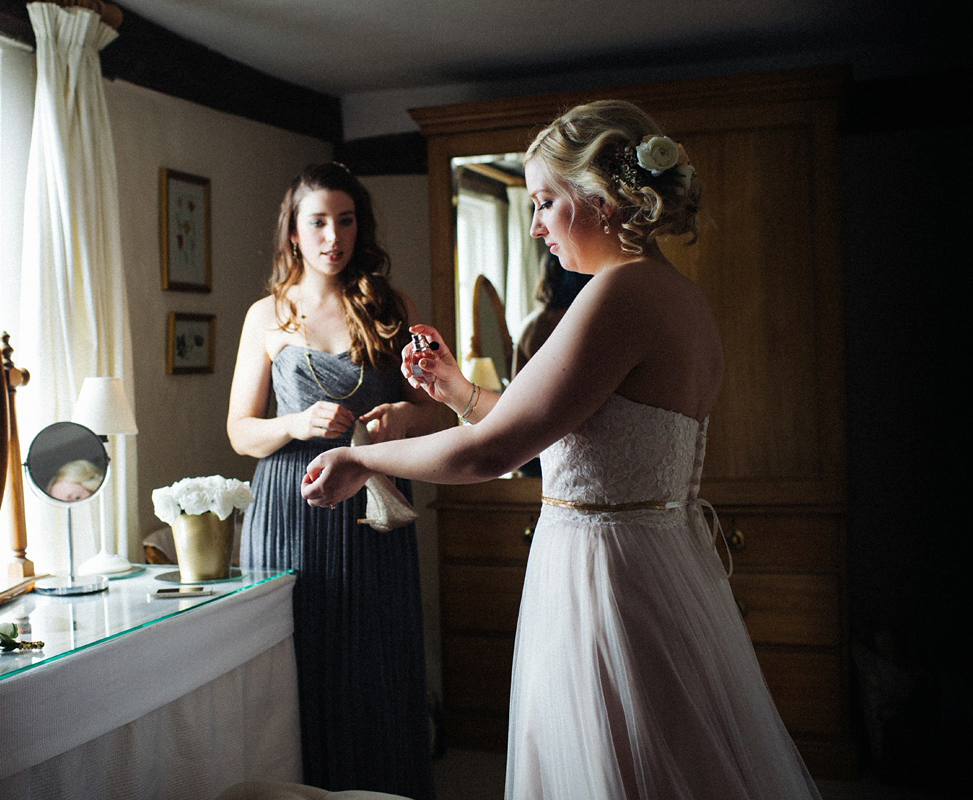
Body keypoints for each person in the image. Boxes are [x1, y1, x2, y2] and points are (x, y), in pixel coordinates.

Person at [301, 102, 822, 799]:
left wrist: (364, 460)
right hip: (657, 560)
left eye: (547, 201)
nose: (538, 225)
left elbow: (488, 456)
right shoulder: (679, 297)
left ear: (603, 201)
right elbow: (569, 438)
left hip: (606, 580)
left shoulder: (615, 297)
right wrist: (459, 391)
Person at [227, 163, 436, 798]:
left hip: (373, 506)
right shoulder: (266, 314)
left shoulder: (390, 307)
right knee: (299, 664)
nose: (332, 237)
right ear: (293, 232)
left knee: (375, 658)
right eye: (317, 222)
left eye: (345, 221)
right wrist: (292, 425)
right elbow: (239, 431)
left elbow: (438, 406)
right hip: (291, 507)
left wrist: (406, 412)